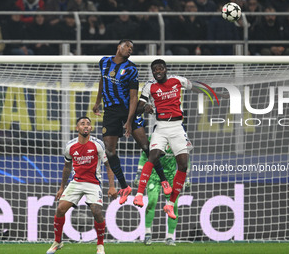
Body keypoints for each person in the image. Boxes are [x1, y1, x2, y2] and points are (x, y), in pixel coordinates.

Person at [93, 39, 171, 205]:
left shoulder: (131, 69)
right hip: (110, 112)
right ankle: (124, 187)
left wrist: (128, 121)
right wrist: (97, 101)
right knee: (110, 151)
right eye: (127, 46)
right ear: (118, 47)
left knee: (145, 146)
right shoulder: (104, 62)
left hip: (128, 110)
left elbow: (134, 96)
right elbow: (102, 80)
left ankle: (163, 180)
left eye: (132, 48)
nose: (130, 49)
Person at [133, 59, 198, 219]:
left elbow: (195, 87)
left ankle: (170, 205)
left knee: (182, 165)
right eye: (155, 70)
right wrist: (145, 107)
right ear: (152, 72)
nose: (158, 71)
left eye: (160, 68)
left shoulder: (178, 80)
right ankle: (139, 194)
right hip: (161, 127)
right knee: (153, 155)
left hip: (177, 127)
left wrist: (215, 93)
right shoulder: (150, 86)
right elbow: (138, 107)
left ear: (165, 69)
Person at [46, 116, 118, 254]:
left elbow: (108, 166)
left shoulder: (98, 145)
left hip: (93, 183)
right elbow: (67, 167)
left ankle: (100, 246)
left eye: (88, 124)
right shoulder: (70, 146)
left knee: (97, 212)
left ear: (91, 128)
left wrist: (112, 186)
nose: (86, 126)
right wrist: (62, 187)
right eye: (82, 124)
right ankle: (57, 242)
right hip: (76, 182)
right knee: (60, 209)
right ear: (77, 128)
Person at [134, 135, 191, 246]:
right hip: (154, 175)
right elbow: (145, 156)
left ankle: (170, 237)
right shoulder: (154, 137)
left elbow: (184, 159)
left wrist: (186, 176)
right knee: (152, 201)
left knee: (173, 206)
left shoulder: (178, 137)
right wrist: (138, 173)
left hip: (171, 177)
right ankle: (147, 234)